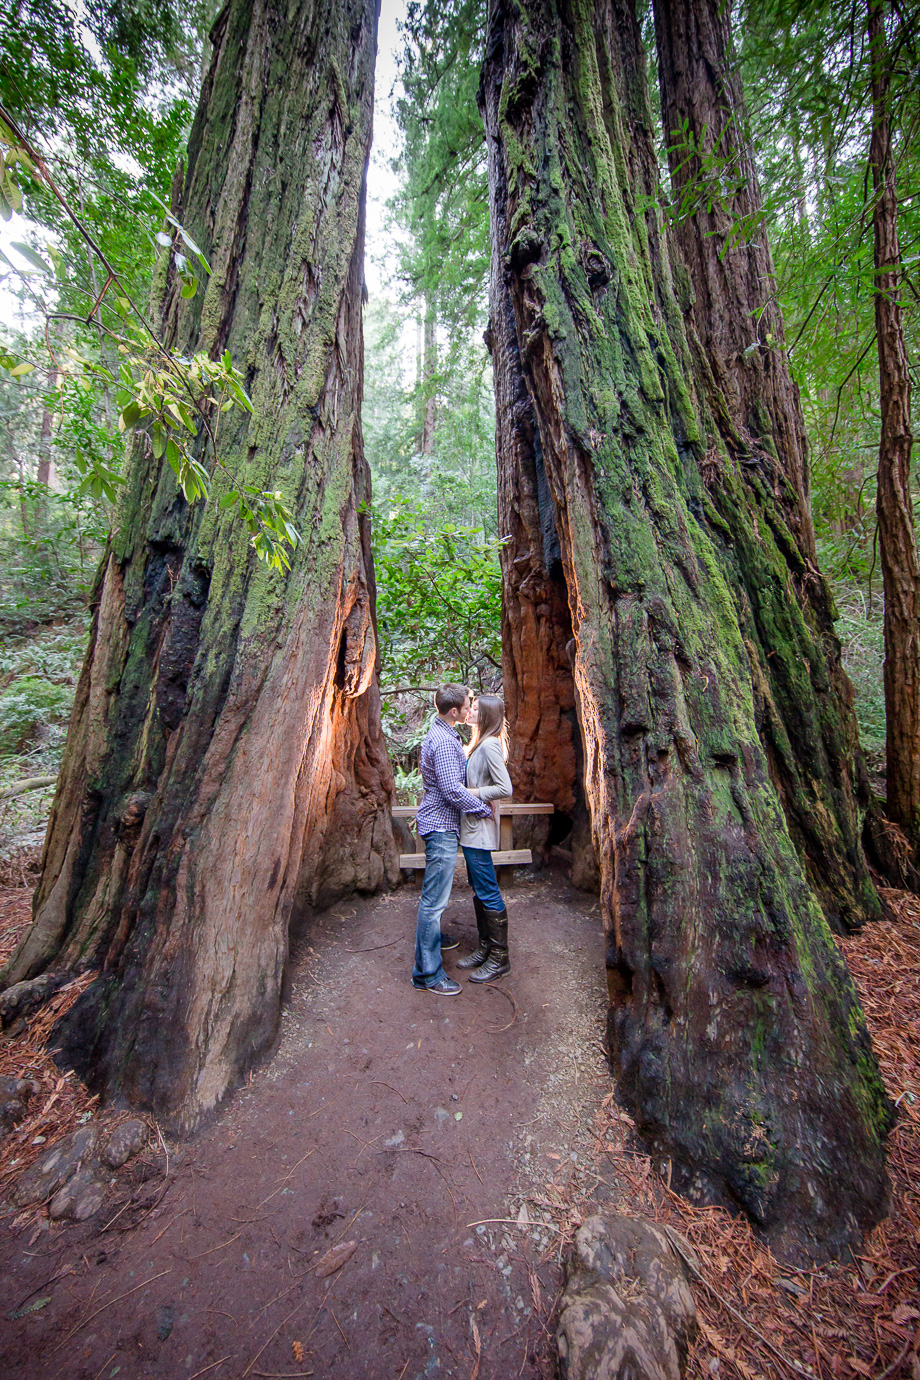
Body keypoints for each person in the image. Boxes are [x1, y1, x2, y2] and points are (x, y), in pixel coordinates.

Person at [412, 684, 494, 996]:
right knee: (433, 903)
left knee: (433, 899)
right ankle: (427, 974)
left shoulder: (442, 732)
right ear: (453, 712)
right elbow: (451, 789)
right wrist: (481, 808)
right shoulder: (445, 743)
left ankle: (430, 940)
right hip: (441, 826)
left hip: (441, 823)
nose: (470, 709)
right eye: (466, 705)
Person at [457, 695, 513, 982]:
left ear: (488, 715)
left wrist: (472, 793)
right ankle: (485, 947)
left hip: (479, 828)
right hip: (471, 827)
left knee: (487, 888)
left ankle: (500, 957)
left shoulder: (490, 744)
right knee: (478, 888)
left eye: (477, 708)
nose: (471, 711)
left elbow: (504, 787)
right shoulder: (478, 744)